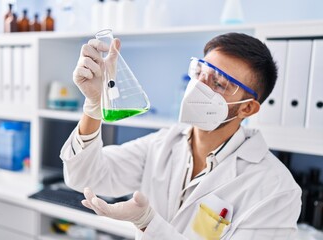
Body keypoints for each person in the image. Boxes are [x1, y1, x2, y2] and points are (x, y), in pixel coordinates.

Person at [60, 32, 302, 239]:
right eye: (200, 72)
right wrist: (93, 105)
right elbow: (85, 177)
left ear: (247, 107)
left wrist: (148, 223)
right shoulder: (162, 144)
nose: (199, 86)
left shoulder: (276, 189)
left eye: (219, 84)